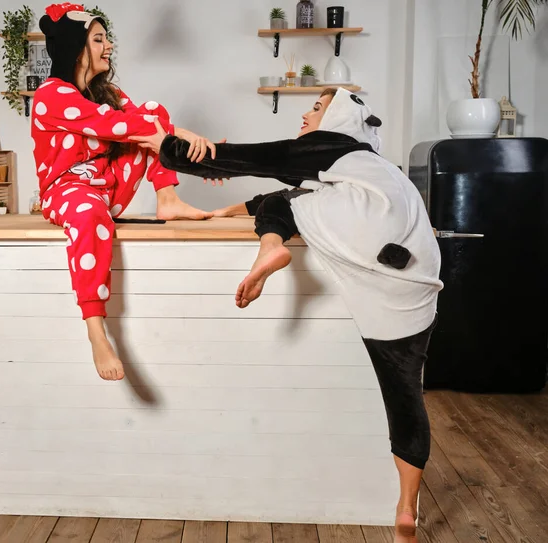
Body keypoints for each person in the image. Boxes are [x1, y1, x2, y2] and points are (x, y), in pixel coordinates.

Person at [133, 87, 443, 542]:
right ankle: (405, 508)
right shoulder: (380, 170)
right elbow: (292, 190)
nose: (306, 113)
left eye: (316, 107)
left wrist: (164, 145)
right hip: (413, 276)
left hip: (362, 230)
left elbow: (244, 158)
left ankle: (270, 249)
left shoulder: (330, 146)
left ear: (337, 116)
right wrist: (226, 210)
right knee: (404, 395)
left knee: (286, 201)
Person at [31, 3, 216, 381]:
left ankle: (168, 199)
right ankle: (96, 332)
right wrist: (182, 137)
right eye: (98, 39)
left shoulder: (107, 91)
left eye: (106, 38)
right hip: (68, 192)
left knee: (152, 110)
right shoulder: (51, 94)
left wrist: (208, 158)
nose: (109, 46)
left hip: (108, 189)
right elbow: (116, 126)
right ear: (76, 47)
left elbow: (148, 122)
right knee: (88, 210)